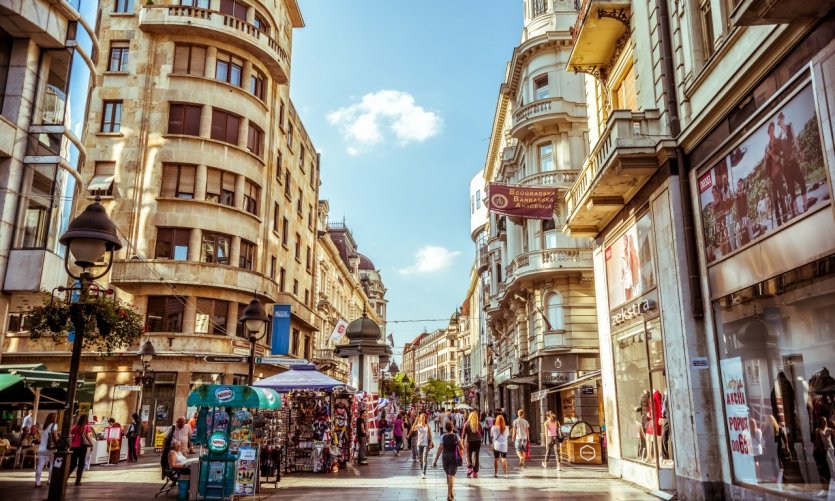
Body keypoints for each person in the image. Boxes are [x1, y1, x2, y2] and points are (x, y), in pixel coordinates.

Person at [433, 421, 464, 501]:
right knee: (451, 476)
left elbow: (440, 448)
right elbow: (462, 447)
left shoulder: (443, 436)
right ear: (452, 427)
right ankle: (449, 495)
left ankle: (451, 493)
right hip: (453, 457)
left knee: (448, 475)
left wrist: (435, 460)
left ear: (445, 428)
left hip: (445, 457)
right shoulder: (456, 436)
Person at [69, 414, 94, 486]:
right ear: (86, 420)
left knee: (73, 464)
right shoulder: (86, 427)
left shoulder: (75, 427)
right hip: (82, 447)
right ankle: (77, 481)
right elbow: (88, 437)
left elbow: (71, 434)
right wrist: (91, 444)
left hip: (74, 447)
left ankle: (66, 477)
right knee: (81, 464)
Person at [35, 413, 58, 487]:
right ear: (54, 418)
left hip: (41, 448)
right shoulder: (54, 425)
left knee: (40, 466)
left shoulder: (44, 427)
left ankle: (37, 482)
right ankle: (50, 481)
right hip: (50, 449)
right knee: (52, 464)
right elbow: (56, 437)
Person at [410, 413, 433, 478]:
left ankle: (424, 473)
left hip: (426, 444)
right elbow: (412, 429)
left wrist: (430, 443)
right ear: (420, 418)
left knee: (424, 459)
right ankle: (422, 470)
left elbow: (430, 435)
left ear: (425, 418)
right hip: (419, 444)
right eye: (421, 417)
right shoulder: (418, 425)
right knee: (420, 459)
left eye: (423, 417)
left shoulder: (427, 426)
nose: (422, 418)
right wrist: (415, 421)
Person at [461, 410, 482, 478]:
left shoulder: (466, 423)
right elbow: (481, 432)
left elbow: (463, 435)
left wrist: (462, 442)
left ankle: (470, 469)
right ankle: (475, 472)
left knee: (468, 455)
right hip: (477, 441)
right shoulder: (478, 423)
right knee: (476, 456)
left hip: (469, 442)